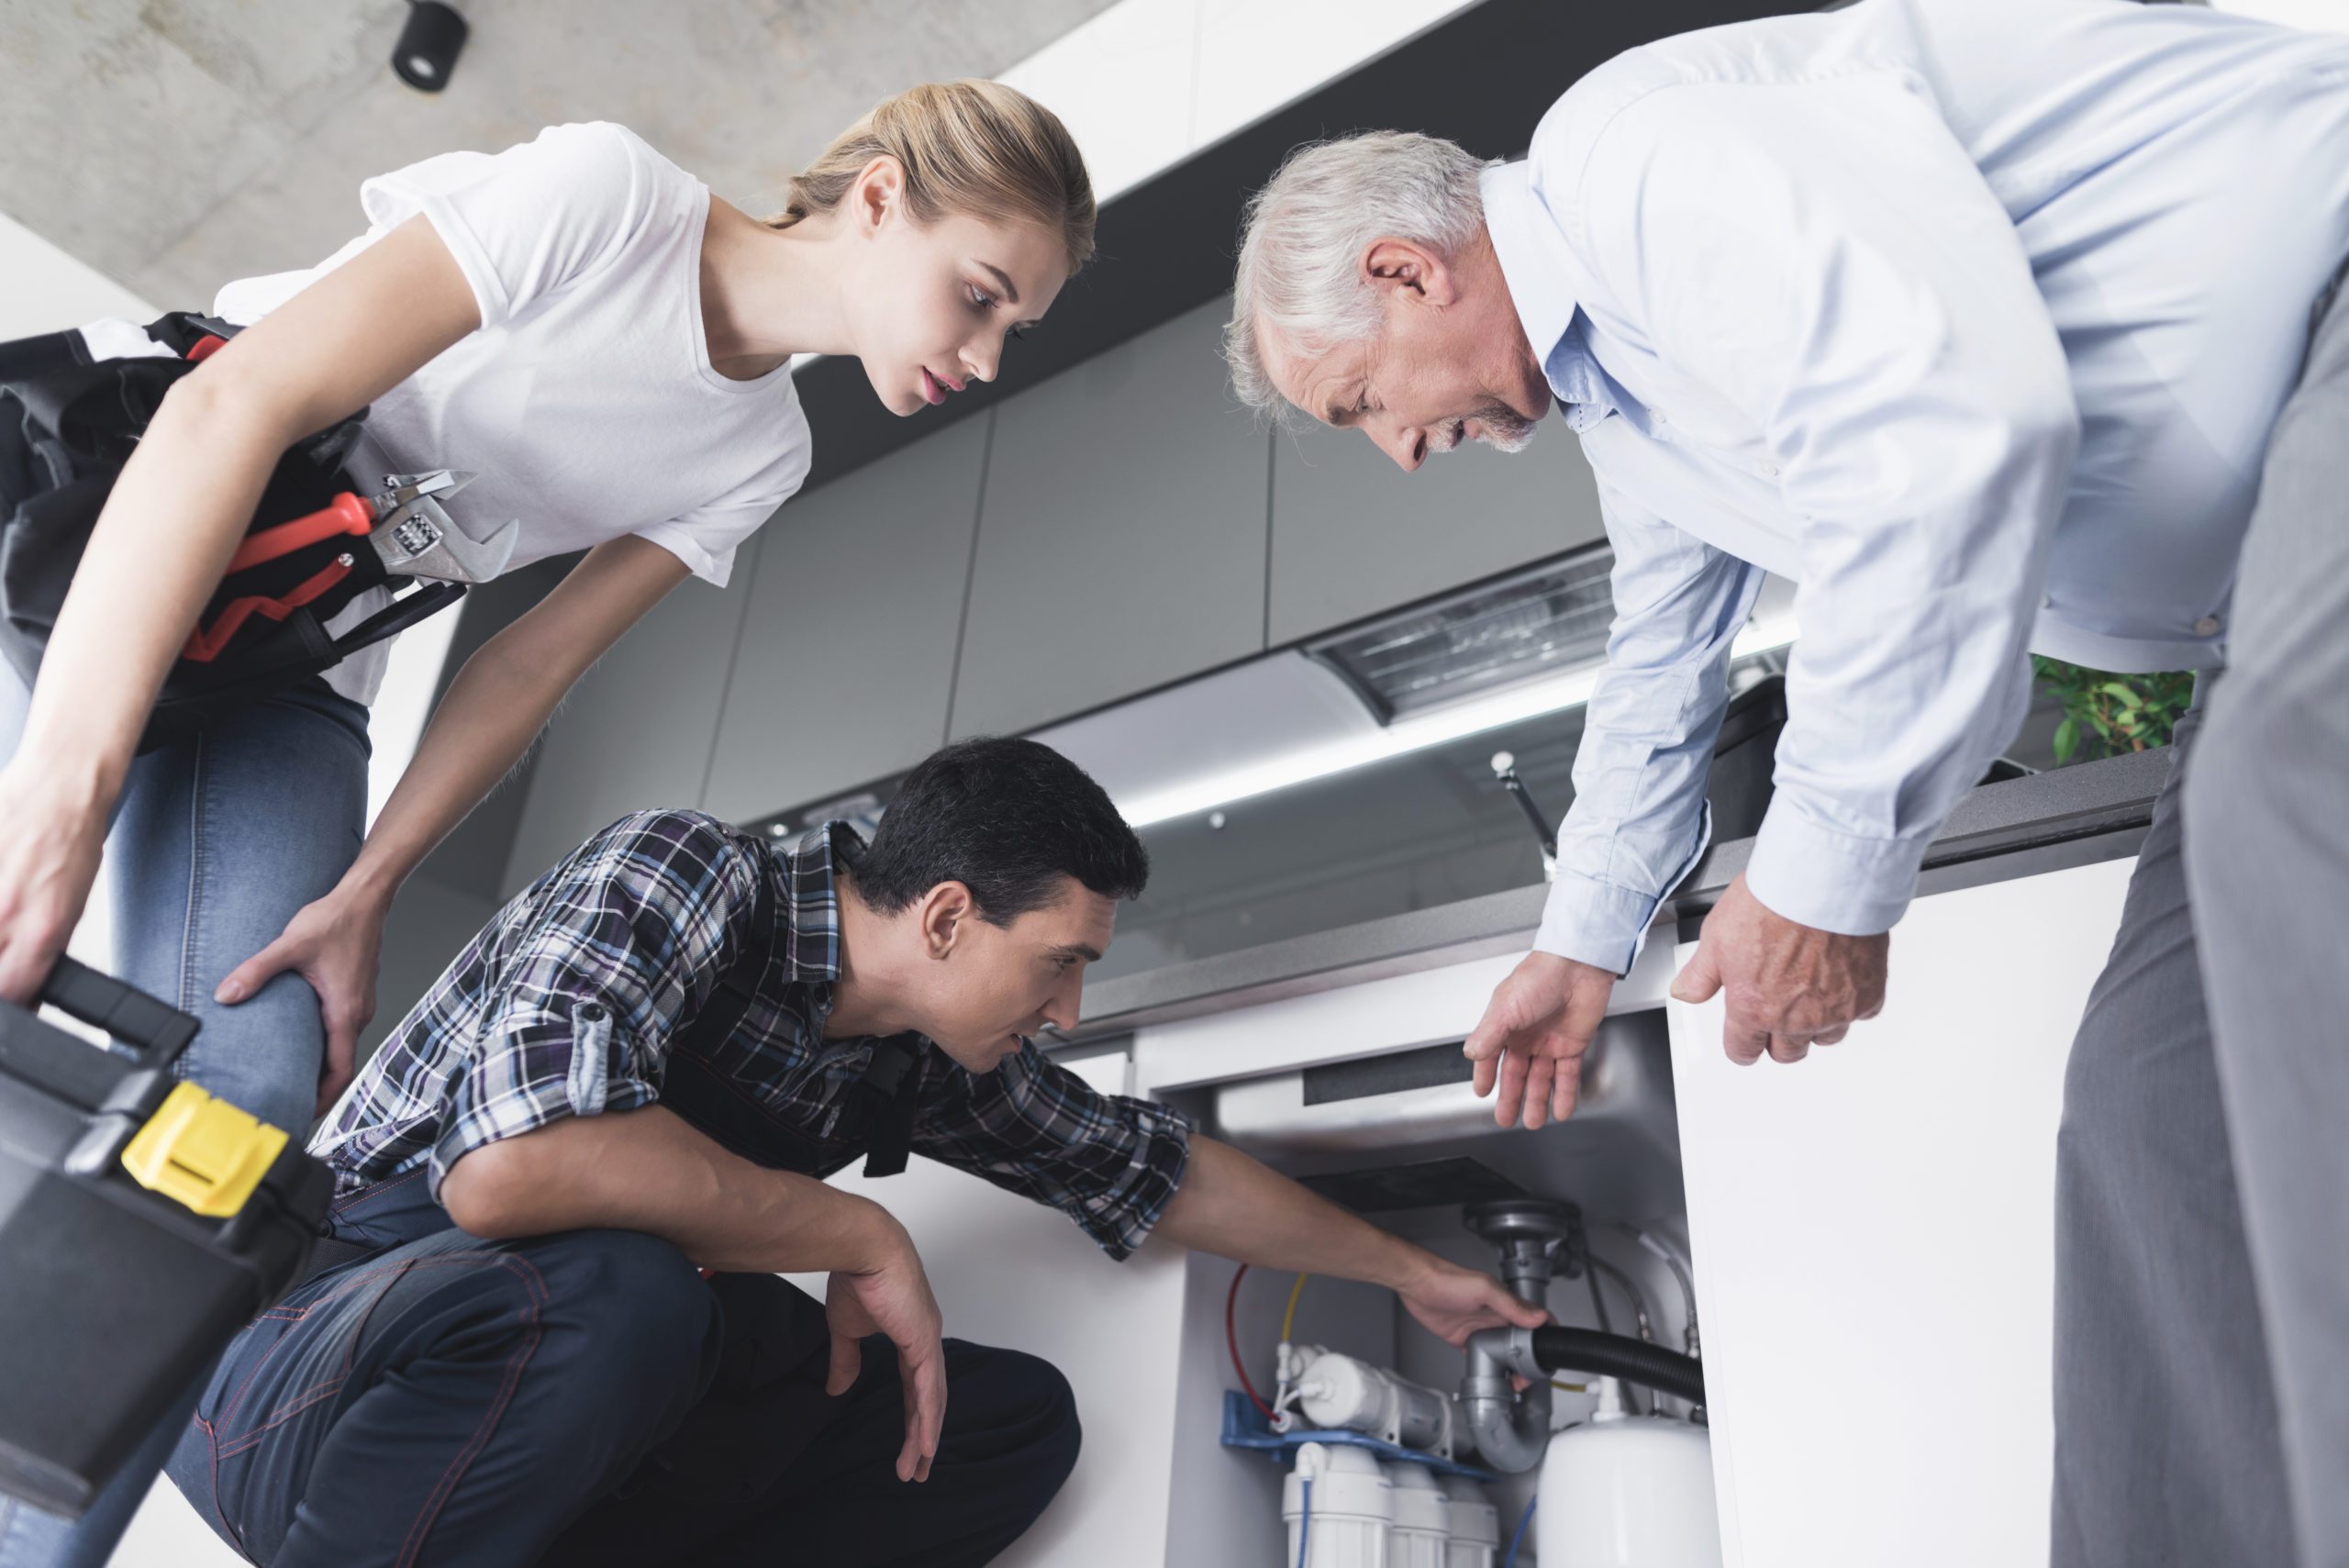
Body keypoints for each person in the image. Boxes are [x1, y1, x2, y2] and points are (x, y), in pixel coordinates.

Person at [1219, 1, 2349, 1563]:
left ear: (1406, 273)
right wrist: (1581, 937)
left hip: (2332, 328)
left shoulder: (1635, 166)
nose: (1401, 451)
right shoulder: (1631, 399)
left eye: (1363, 404)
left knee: (2301, 796)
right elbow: (1662, 655)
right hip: (2255, 590)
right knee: (2154, 1108)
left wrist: (1820, 872)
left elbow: (1949, 422)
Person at [0, 80, 1094, 1568]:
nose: (982, 348)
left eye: (1012, 326)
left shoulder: (759, 453)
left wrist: (371, 884)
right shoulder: (610, 197)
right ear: (883, 196)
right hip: (104, 517)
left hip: (284, 661)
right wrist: (65, 798)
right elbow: (232, 404)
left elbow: (528, 661)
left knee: (243, 1094)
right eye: (980, 295)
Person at [156, 737, 1548, 1565]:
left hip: (549, 1426)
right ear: (945, 916)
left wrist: (1413, 1270)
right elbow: (514, 1167)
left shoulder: (922, 1059)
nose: (1067, 1011)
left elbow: (1152, 1165)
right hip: (316, 1378)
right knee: (629, 1289)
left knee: (998, 1425)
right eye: (1058, 964)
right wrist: (857, 1232)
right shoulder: (688, 868)